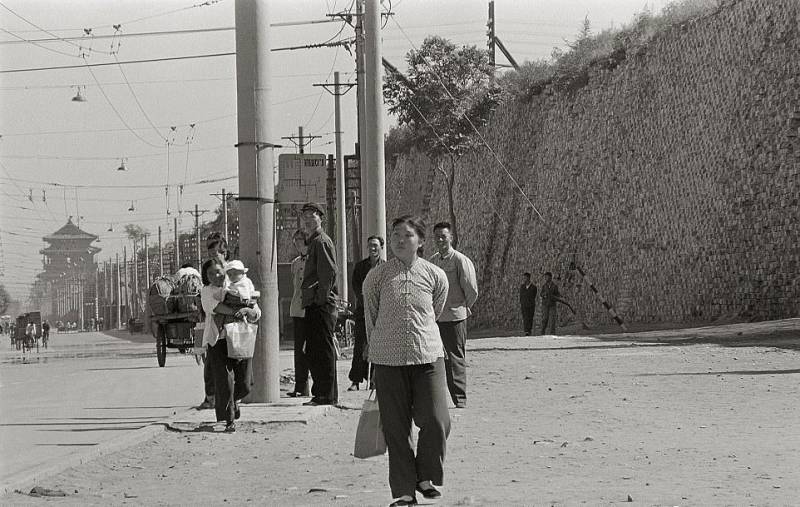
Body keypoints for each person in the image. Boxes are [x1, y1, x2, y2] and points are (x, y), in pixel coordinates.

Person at [364, 215, 450, 506]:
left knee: (438, 420)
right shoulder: (377, 276)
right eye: (396, 234)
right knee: (396, 428)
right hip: (388, 360)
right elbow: (371, 316)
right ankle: (404, 491)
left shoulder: (435, 275)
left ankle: (424, 475)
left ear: (421, 241)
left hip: (428, 355)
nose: (400, 240)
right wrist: (379, 345)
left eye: (408, 235)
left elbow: (435, 311)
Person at [200, 257, 261, 432]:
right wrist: (237, 311)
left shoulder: (239, 284)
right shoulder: (207, 291)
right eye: (210, 273)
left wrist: (250, 311)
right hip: (218, 339)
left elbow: (255, 308)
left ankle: (235, 400)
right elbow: (216, 308)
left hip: (240, 338)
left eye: (218, 272)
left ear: (224, 271)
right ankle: (228, 420)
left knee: (245, 382)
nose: (214, 276)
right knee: (224, 381)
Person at [428, 222, 478, 409]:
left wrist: (462, 308)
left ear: (451, 238)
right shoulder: (432, 261)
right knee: (435, 358)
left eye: (443, 236)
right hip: (436, 318)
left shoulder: (460, 261)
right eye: (437, 236)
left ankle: (460, 398)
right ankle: (437, 398)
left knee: (455, 357)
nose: (440, 240)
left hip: (455, 317)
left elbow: (471, 290)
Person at [299, 202, 339, 406]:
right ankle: (323, 392)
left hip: (320, 303)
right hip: (314, 302)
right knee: (315, 349)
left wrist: (320, 298)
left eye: (312, 215)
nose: (308, 219)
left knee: (322, 350)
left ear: (320, 217)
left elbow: (329, 273)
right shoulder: (313, 242)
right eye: (305, 215)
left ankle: (326, 393)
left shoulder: (322, 241)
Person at [347, 235, 385, 391]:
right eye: (370, 246)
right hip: (363, 311)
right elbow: (356, 286)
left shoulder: (385, 267)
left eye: (375, 245)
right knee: (360, 346)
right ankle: (356, 380)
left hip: (380, 312)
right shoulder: (360, 267)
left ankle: (374, 381)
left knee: (378, 346)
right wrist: (365, 300)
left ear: (381, 247)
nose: (372, 248)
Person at [287, 230, 311, 397]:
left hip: (311, 308)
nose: (297, 243)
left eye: (300, 240)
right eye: (295, 240)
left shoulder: (314, 259)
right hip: (297, 308)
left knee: (312, 349)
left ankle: (314, 385)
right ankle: (300, 386)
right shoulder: (295, 263)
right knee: (299, 350)